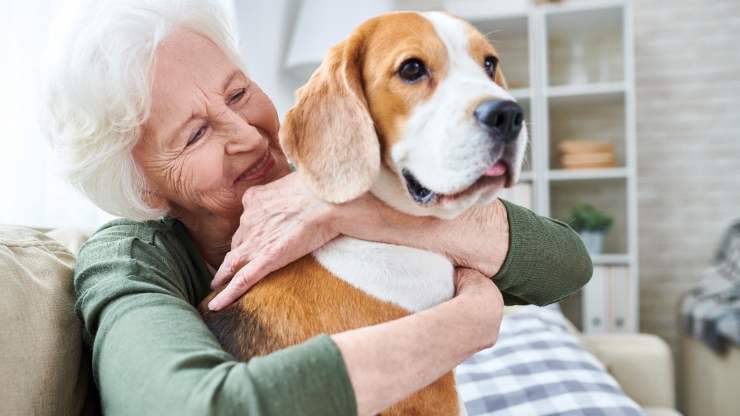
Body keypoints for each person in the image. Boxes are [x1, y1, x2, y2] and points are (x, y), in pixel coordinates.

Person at [45, 1, 592, 415]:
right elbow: (196, 406)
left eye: (237, 94)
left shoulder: (337, 168)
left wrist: (344, 210)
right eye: (195, 134)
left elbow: (567, 264)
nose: (248, 134)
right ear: (145, 189)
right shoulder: (127, 259)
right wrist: (468, 323)